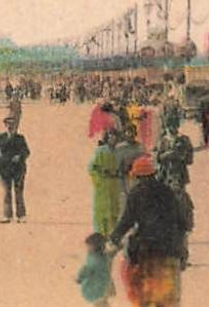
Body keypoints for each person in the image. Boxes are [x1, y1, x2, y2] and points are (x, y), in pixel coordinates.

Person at [109, 155, 188, 306]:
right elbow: (181, 222)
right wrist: (182, 247)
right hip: (169, 249)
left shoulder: (136, 194)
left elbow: (127, 221)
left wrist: (114, 237)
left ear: (138, 176)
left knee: (146, 295)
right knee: (168, 298)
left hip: (146, 251)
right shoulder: (167, 192)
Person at [0, 115, 30, 223]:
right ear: (5, 125)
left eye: (12, 125)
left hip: (18, 168)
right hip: (5, 169)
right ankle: (7, 215)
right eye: (8, 125)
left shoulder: (20, 138)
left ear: (16, 126)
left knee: (18, 191)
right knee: (7, 191)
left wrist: (20, 156)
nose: (10, 127)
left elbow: (26, 151)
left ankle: (21, 215)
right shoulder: (0, 138)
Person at [89, 130, 125, 237]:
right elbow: (92, 167)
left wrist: (119, 174)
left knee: (114, 211)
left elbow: (122, 168)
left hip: (114, 185)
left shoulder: (119, 152)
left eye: (115, 137)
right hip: (103, 185)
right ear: (108, 138)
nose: (113, 139)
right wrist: (99, 179)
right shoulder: (100, 151)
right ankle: (100, 235)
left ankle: (112, 235)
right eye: (111, 137)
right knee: (101, 212)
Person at [76, 232, 118, 306]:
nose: (87, 248)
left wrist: (79, 278)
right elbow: (110, 255)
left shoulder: (95, 259)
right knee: (102, 302)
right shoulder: (103, 256)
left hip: (95, 289)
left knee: (100, 303)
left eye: (89, 246)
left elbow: (86, 269)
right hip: (103, 285)